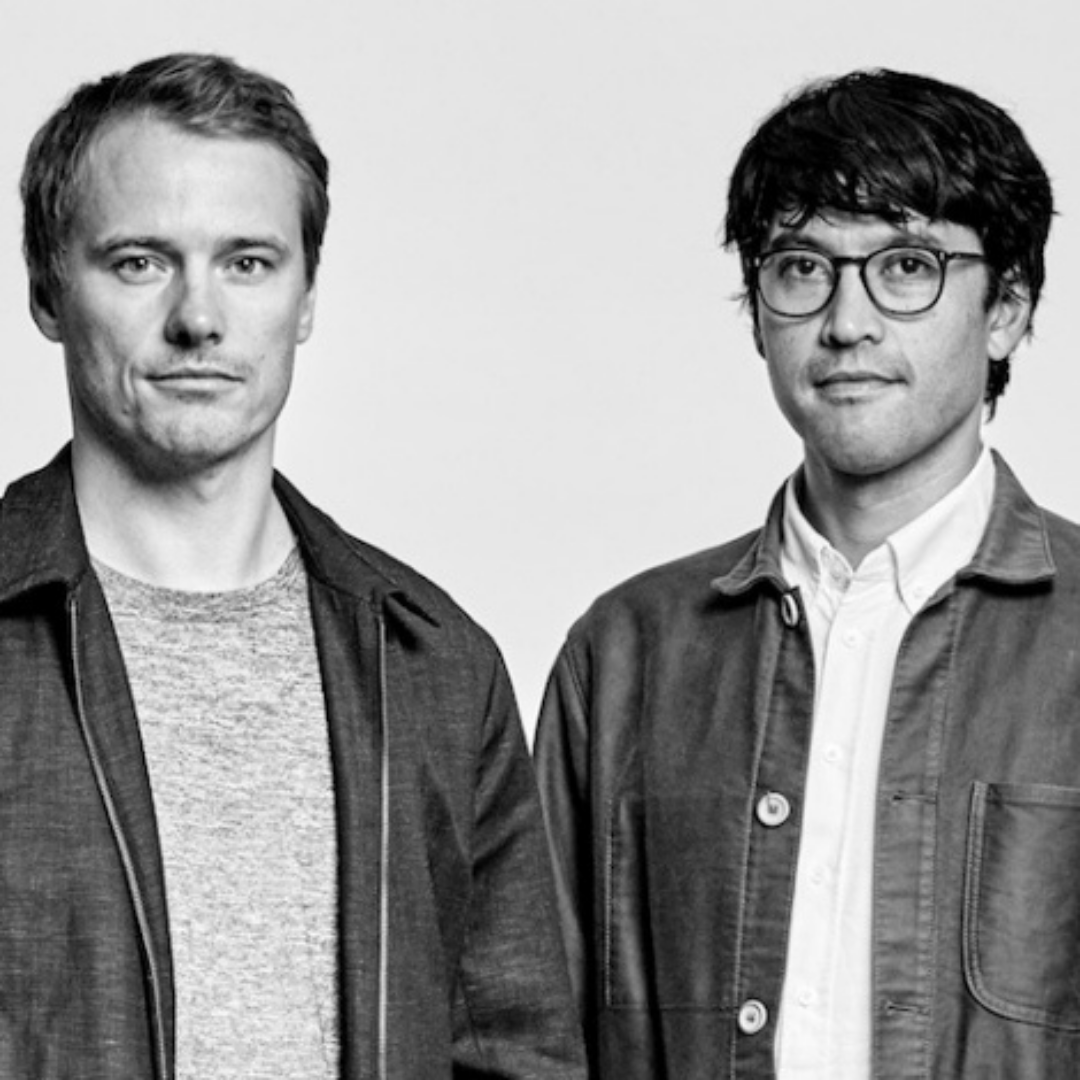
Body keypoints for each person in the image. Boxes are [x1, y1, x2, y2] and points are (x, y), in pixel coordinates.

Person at [0, 53, 584, 1079]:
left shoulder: (435, 665)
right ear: (49, 292)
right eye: (139, 262)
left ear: (305, 297)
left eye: (248, 262)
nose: (198, 318)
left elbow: (518, 1056)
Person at [535, 68, 1075, 1079]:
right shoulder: (626, 655)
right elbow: (534, 1038)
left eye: (907, 266)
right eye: (801, 268)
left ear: (1006, 307)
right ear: (757, 313)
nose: (847, 321)